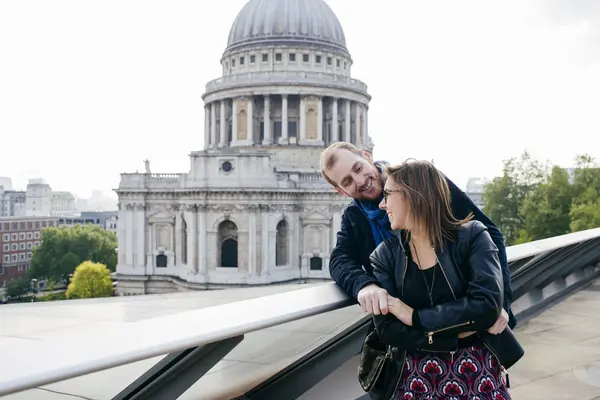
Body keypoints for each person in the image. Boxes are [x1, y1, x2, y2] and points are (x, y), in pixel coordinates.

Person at [320, 142, 516, 331]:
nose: (360, 181)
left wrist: (502, 302)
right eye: (348, 181)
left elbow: (488, 233)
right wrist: (364, 285)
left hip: (461, 313)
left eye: (358, 168)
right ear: (341, 191)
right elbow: (339, 260)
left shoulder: (420, 182)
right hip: (411, 329)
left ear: (367, 156)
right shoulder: (355, 217)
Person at [368, 159, 513, 398]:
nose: (382, 205)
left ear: (413, 195)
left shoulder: (473, 236)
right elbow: (388, 330)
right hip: (415, 381)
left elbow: (486, 306)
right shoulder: (384, 256)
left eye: (388, 194)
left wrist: (413, 316)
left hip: (477, 375)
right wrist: (457, 334)